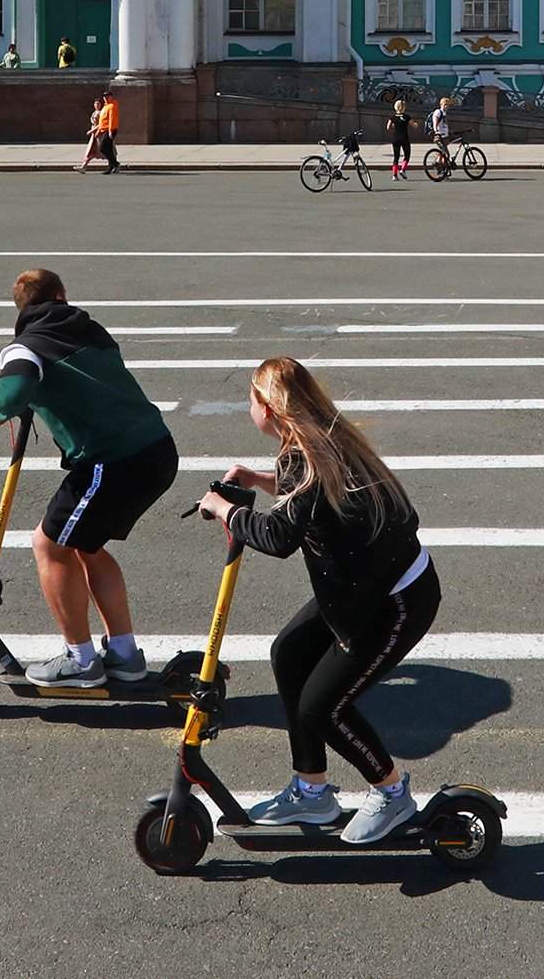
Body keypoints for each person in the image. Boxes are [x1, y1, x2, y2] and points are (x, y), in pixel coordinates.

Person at [198, 357, 441, 845]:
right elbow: (311, 502)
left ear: (269, 408)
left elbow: (279, 535)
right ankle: (312, 791)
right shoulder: (321, 438)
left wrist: (224, 509)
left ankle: (392, 793)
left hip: (394, 601)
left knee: (323, 709)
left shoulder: (303, 455)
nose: (249, 409)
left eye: (251, 400)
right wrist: (259, 481)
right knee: (289, 653)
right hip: (361, 589)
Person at [0, 269, 178, 688]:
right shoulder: (92, 330)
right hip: (156, 449)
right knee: (86, 545)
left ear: (21, 309)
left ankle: (81, 660)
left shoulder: (26, 347)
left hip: (113, 460)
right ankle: (124, 655)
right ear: (61, 295)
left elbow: (13, 391)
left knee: (48, 545)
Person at [74, 97, 104, 173]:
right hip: (94, 135)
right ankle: (83, 167)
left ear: (101, 105)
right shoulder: (94, 112)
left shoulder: (101, 113)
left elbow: (101, 124)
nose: (97, 105)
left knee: (102, 152)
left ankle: (114, 163)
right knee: (90, 152)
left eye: (98, 103)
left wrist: (91, 131)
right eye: (95, 103)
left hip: (98, 134)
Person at [95, 88, 121, 174]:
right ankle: (111, 167)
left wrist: (110, 131)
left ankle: (115, 164)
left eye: (107, 96)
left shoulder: (112, 106)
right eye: (104, 97)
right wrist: (99, 130)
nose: (105, 98)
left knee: (103, 148)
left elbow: (111, 119)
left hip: (111, 130)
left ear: (111, 97)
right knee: (109, 149)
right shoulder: (105, 106)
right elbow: (102, 120)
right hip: (104, 130)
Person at [388, 99, 414, 180]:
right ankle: (403, 169)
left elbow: (388, 127)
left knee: (396, 157)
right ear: (403, 108)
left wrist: (394, 127)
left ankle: (394, 175)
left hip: (395, 138)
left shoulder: (393, 117)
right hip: (404, 138)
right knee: (407, 155)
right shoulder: (407, 117)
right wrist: (416, 124)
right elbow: (413, 124)